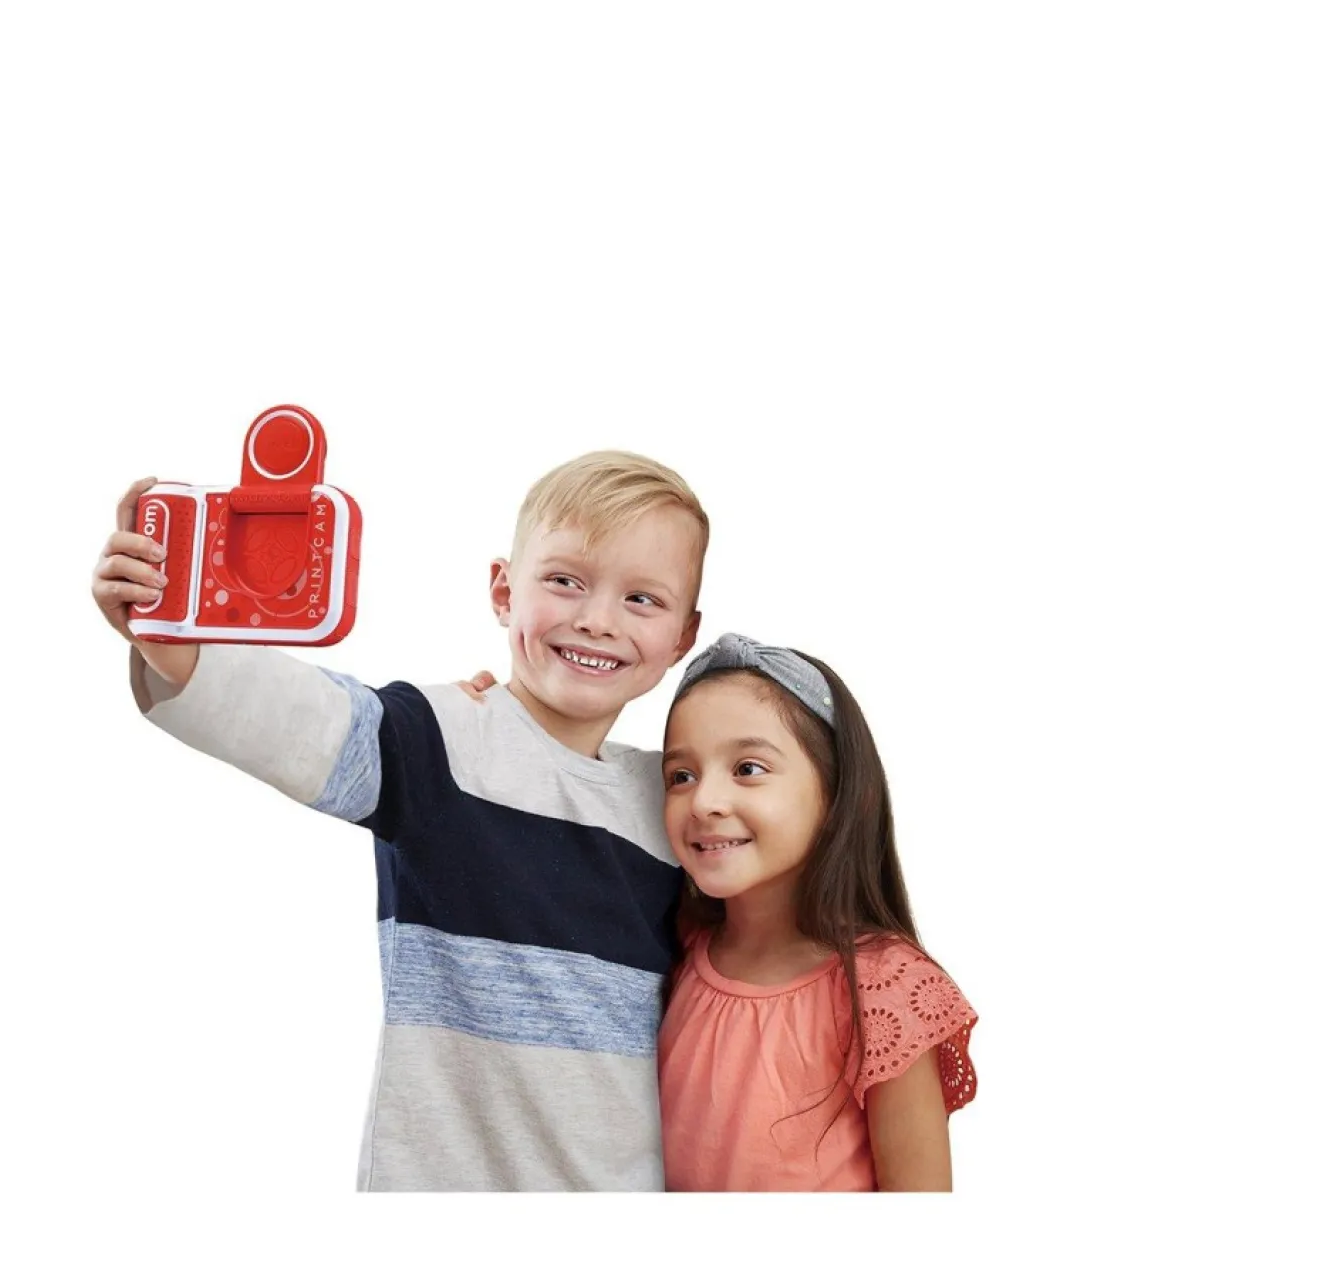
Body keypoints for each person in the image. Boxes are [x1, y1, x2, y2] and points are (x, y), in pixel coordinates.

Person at [91, 451, 707, 1191]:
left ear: (683, 637)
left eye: (642, 599)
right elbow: (307, 721)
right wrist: (173, 644)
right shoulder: (442, 739)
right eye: (564, 581)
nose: (597, 620)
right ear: (503, 591)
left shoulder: (677, 802)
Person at [657, 633, 977, 1191]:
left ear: (835, 792)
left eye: (748, 768)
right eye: (681, 776)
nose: (704, 801)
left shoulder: (885, 987)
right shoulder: (672, 947)